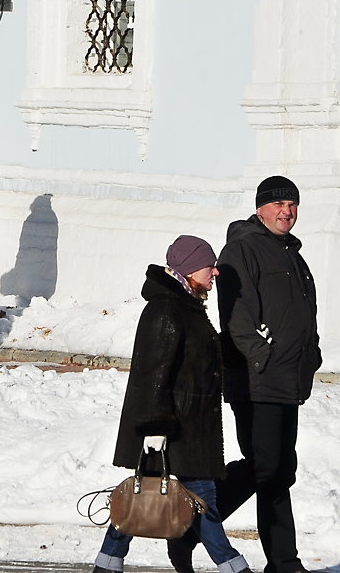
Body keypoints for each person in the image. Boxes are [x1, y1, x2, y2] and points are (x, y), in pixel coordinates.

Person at [168, 176, 321, 573]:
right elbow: (236, 316)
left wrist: (311, 356)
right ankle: (190, 527)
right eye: (278, 204)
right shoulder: (242, 249)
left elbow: (304, 314)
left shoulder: (290, 254)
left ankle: (283, 562)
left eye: (292, 204)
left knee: (278, 470)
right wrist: (262, 356)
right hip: (256, 380)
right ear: (260, 208)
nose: (286, 211)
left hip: (288, 380)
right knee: (266, 467)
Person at [92, 236, 250, 573]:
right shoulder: (166, 310)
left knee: (148, 499)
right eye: (210, 265)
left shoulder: (185, 305)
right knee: (164, 499)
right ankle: (234, 567)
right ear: (191, 268)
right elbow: (153, 372)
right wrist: (155, 427)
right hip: (171, 428)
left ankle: (106, 566)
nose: (216, 272)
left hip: (187, 427)